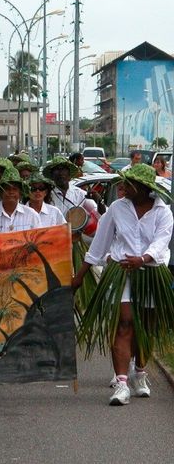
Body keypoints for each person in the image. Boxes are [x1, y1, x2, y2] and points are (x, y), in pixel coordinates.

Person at [72, 164, 174, 406]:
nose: (122, 188)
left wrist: (143, 258)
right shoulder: (117, 208)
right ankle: (121, 384)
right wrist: (79, 276)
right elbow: (100, 243)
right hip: (121, 273)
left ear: (142, 188)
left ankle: (140, 373)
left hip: (152, 273)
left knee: (145, 328)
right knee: (124, 323)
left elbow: (162, 242)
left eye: (128, 184)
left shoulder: (163, 212)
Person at [0, 167, 41, 236]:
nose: (11, 192)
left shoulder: (31, 215)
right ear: (0, 193)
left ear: (20, 193)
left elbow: (39, 240)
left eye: (14, 189)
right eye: (7, 189)